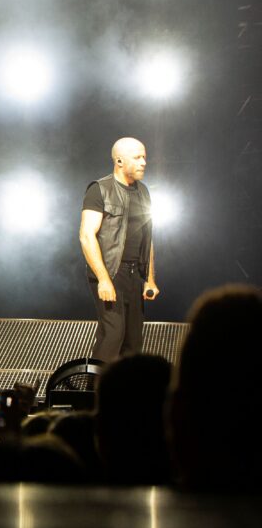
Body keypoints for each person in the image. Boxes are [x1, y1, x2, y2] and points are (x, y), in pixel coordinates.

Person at [79, 137, 159, 362]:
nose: (143, 162)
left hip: (135, 274)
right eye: (137, 157)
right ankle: (96, 383)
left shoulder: (143, 192)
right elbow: (86, 235)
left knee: (134, 341)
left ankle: (124, 384)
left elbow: (147, 240)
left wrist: (150, 279)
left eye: (144, 157)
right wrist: (103, 279)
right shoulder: (99, 189)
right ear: (120, 161)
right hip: (111, 271)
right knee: (113, 335)